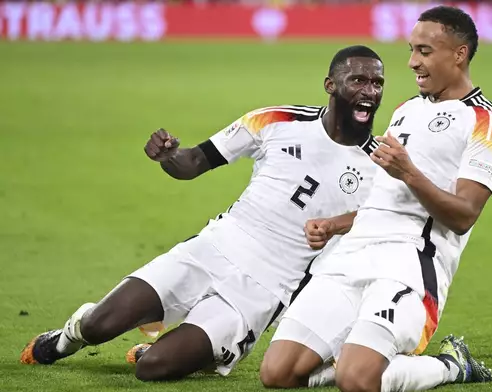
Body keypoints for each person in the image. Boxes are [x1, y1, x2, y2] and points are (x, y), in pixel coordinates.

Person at [20, 45, 385, 382]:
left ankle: (205, 350)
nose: (370, 91)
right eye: (358, 80)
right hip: (213, 249)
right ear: (330, 84)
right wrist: (168, 157)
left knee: (152, 368)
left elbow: (386, 218)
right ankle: (67, 338)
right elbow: (192, 162)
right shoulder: (275, 120)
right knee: (100, 325)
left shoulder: (381, 165)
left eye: (377, 83)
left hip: (264, 288)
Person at [260, 6, 492, 392]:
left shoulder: (486, 121)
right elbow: (382, 199)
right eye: (412, 50)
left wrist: (408, 171)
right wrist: (334, 225)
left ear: (459, 54)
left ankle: (450, 365)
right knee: (277, 375)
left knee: (357, 381)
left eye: (425, 52)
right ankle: (357, 361)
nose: (412, 62)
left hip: (410, 261)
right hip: (353, 253)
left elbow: (464, 215)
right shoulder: (406, 110)